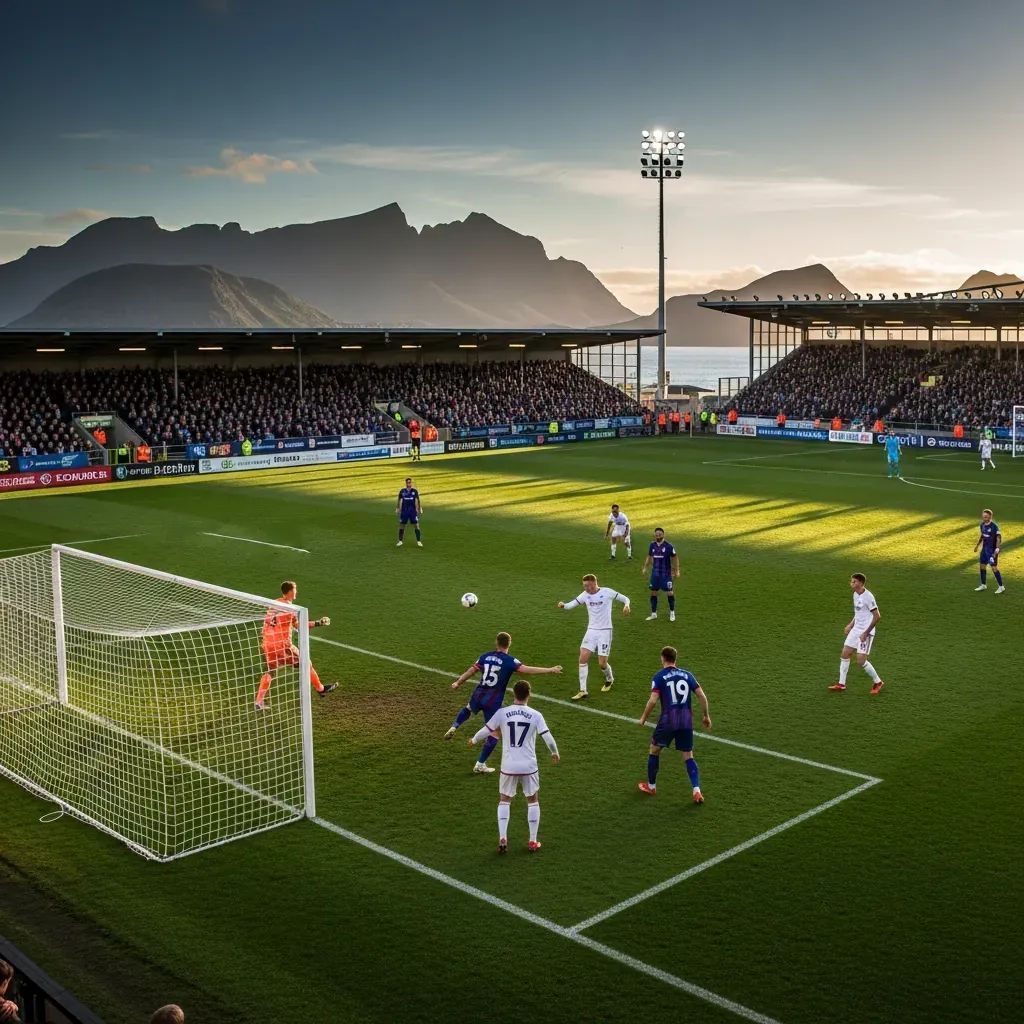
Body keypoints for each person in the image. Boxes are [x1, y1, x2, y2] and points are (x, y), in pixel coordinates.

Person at [445, 631, 562, 774]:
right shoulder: (509, 660)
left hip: (479, 694)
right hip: (493, 701)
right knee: (495, 733)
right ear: (509, 644)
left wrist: (458, 682)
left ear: (496, 643)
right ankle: (480, 764)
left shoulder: (485, 656)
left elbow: (471, 671)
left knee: (468, 708)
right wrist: (549, 670)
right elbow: (526, 670)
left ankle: (454, 726)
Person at [469, 679, 559, 853]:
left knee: (504, 800)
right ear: (529, 694)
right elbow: (547, 736)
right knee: (532, 801)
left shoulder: (502, 713)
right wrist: (554, 752)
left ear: (513, 694)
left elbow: (486, 730)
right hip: (529, 766)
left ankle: (503, 838)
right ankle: (532, 841)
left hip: (508, 766)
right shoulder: (536, 715)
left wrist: (473, 739)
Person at [637, 645, 710, 803]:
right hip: (686, 719)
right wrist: (706, 716)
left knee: (654, 750)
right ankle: (696, 790)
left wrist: (643, 718)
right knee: (688, 755)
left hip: (669, 719)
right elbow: (702, 696)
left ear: (662, 658)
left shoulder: (659, 676)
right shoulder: (687, 675)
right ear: (675, 659)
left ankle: (651, 786)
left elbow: (652, 700)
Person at [255, 581, 338, 710]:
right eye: (294, 590)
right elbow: (299, 626)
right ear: (289, 592)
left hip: (267, 643)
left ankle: (258, 702)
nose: (296, 592)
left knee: (270, 671)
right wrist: (318, 623)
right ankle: (321, 689)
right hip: (282, 646)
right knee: (306, 663)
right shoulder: (290, 608)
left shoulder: (274, 605)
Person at [557, 573, 630, 700]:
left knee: (602, 664)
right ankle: (583, 690)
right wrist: (563, 605)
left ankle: (609, 679)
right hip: (591, 631)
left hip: (605, 631)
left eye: (587, 585)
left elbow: (625, 598)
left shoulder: (607, 592)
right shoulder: (585, 595)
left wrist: (626, 605)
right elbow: (571, 604)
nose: (585, 588)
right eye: (584, 586)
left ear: (594, 584)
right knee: (582, 659)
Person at [829, 573, 885, 695]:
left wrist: (866, 632)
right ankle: (841, 684)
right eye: (851, 581)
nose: (851, 583)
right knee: (845, 653)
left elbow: (877, 616)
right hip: (856, 630)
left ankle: (878, 682)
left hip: (866, 632)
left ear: (860, 583)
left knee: (860, 660)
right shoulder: (855, 594)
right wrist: (850, 624)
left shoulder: (868, 597)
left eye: (853, 581)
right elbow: (858, 613)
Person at [641, 527, 680, 622]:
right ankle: (654, 614)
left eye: (659, 533)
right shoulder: (652, 545)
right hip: (655, 574)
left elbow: (675, 558)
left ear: (663, 534)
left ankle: (672, 612)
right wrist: (645, 567)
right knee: (653, 592)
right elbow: (649, 556)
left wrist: (677, 570)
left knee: (669, 592)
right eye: (656, 534)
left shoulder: (669, 546)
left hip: (666, 574)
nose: (657, 535)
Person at [973, 508, 1005, 593]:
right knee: (982, 566)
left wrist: (997, 549)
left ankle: (1001, 587)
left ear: (990, 516)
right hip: (984, 550)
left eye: (986, 517)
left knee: (994, 568)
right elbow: (983, 535)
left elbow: (998, 538)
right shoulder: (982, 525)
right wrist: (977, 545)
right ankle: (983, 585)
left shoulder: (994, 527)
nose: (984, 518)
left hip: (992, 551)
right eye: (983, 517)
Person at [396, 477, 423, 547]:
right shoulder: (402, 491)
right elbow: (399, 499)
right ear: (406, 483)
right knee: (402, 525)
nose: (409, 483)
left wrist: (419, 508)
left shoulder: (415, 491)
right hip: (404, 511)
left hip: (412, 511)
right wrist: (397, 508)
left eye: (410, 482)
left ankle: (419, 541)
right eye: (408, 482)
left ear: (411, 483)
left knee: (416, 525)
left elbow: (417, 500)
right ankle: (400, 541)